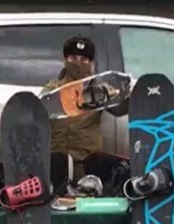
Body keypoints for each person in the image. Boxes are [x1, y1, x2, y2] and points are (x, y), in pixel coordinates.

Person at [41, 36, 127, 181]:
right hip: (57, 165)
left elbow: (119, 110)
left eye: (83, 59)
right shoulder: (52, 90)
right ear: (64, 59)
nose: (77, 63)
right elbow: (38, 113)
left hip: (87, 164)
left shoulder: (98, 90)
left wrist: (125, 97)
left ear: (91, 63)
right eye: (73, 57)